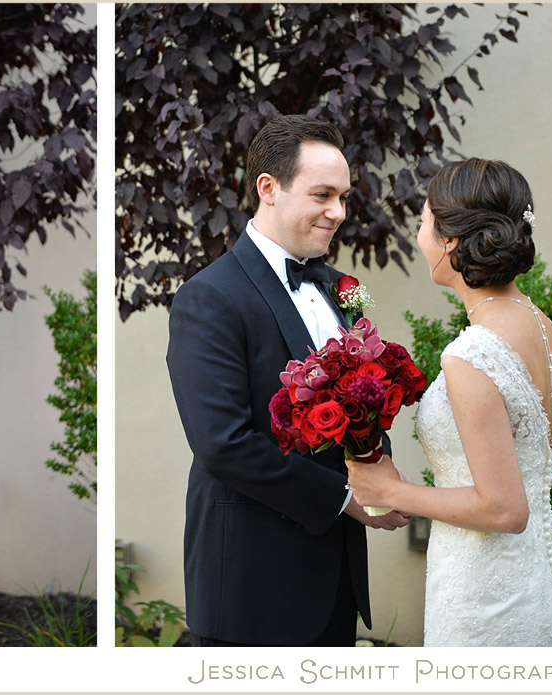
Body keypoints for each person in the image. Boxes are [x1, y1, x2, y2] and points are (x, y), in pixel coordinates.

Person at [166, 115, 410, 647]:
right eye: (323, 194)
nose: (338, 213)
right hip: (253, 585)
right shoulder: (208, 298)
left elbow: (359, 402)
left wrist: (376, 464)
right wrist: (348, 496)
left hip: (334, 578)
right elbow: (223, 444)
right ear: (268, 188)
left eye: (345, 198)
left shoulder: (337, 287)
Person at [346, 158, 552, 646]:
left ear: (450, 240)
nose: (420, 235)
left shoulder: (472, 353)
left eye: (424, 221)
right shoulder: (543, 327)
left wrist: (389, 490)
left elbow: (503, 510)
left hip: (486, 598)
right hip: (540, 580)